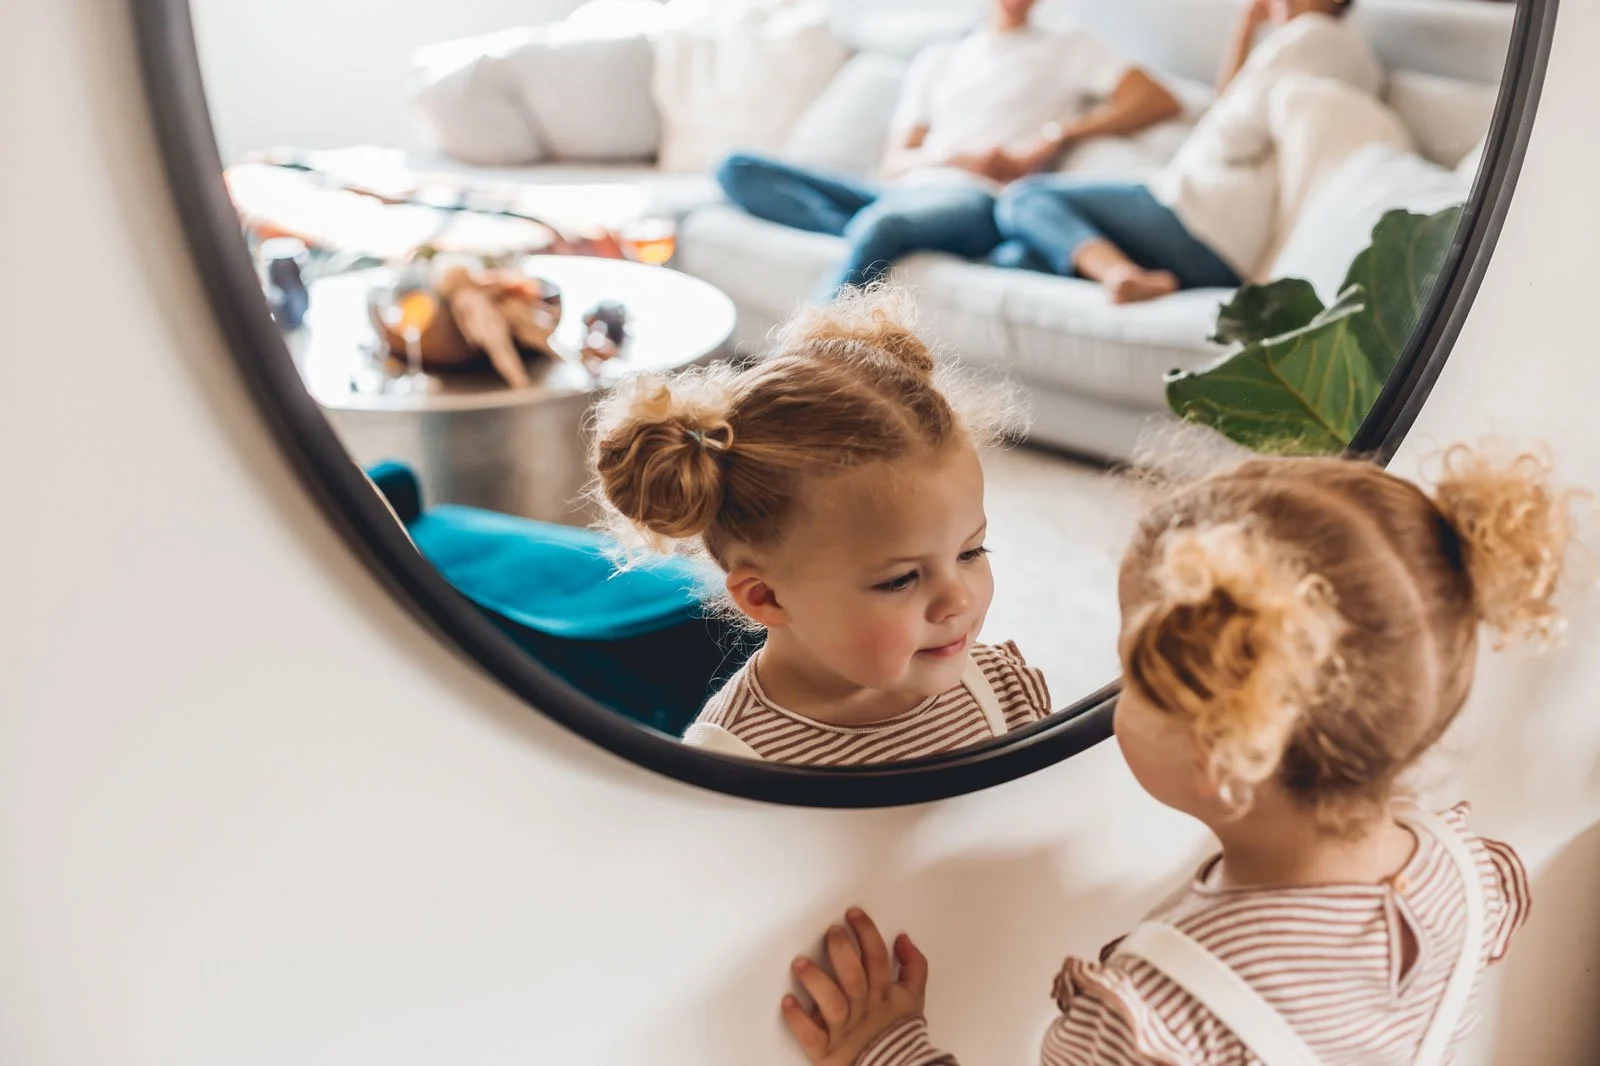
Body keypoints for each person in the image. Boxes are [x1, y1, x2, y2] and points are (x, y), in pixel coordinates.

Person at [779, 442, 1581, 1064]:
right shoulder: (1470, 872)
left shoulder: (1160, 1016)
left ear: (1221, 750)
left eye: (1138, 675)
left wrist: (885, 1048)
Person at [590, 287, 1052, 764]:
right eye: (901, 579)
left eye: (971, 552)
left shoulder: (1001, 689)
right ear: (765, 596)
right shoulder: (733, 766)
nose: (958, 599)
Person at [714, 0, 1180, 301]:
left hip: (978, 200)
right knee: (737, 168)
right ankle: (873, 237)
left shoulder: (1066, 45)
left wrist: (1055, 136)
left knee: (885, 223)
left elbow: (1157, 99)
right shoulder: (939, 58)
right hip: (907, 189)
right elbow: (895, 164)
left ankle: (801, 356)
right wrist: (955, 157)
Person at [994, 0, 1379, 303]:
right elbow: (1228, 107)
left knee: (1023, 198)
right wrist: (1247, 27)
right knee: (1015, 257)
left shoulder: (1313, 36)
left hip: (1198, 216)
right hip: (1216, 242)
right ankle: (1124, 275)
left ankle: (1119, 275)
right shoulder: (1343, 50)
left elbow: (1232, 132)